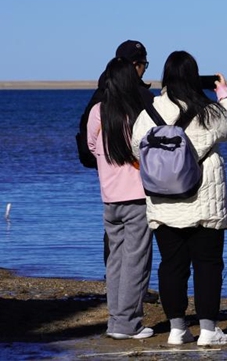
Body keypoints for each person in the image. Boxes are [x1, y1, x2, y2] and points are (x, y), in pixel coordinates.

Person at [131, 51, 227, 346]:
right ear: (196, 78)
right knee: (207, 265)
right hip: (204, 202)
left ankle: (177, 329)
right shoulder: (208, 110)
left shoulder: (149, 114)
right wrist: (224, 92)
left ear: (165, 78)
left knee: (171, 265)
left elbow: (136, 149)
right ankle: (208, 331)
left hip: (163, 201)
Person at [86, 57, 154, 340]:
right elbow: (147, 148)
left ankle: (116, 321)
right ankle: (127, 323)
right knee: (135, 262)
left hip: (110, 197)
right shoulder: (137, 113)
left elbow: (91, 146)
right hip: (137, 197)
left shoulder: (98, 111)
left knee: (115, 260)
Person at [77, 40, 155, 268]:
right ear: (133, 66)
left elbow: (88, 138)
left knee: (115, 236)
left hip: (109, 181)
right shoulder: (138, 97)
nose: (143, 69)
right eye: (143, 64)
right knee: (137, 244)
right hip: (135, 180)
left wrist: (102, 162)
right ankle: (131, 292)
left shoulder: (99, 97)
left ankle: (116, 287)